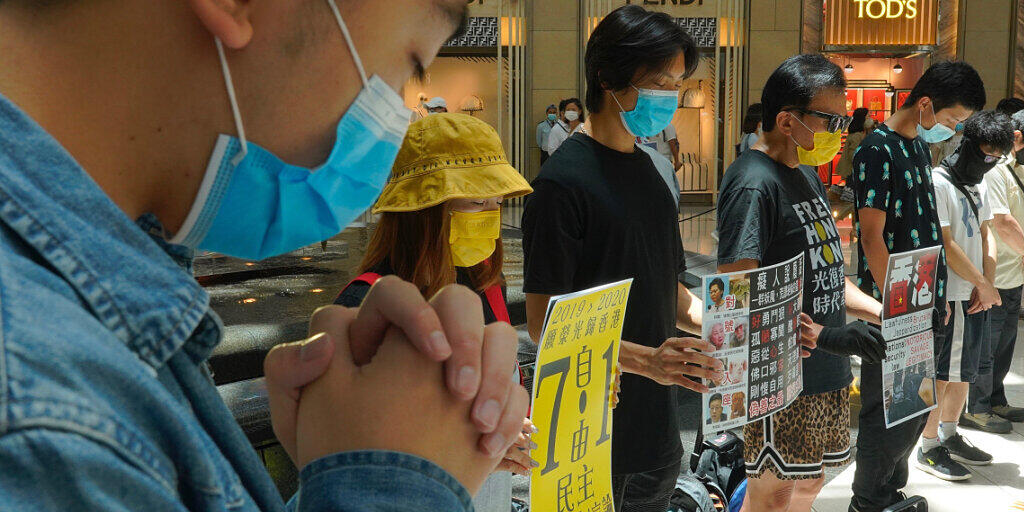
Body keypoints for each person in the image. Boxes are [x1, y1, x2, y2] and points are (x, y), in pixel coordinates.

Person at [0, 1, 531, 510]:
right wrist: (393, 484)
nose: (390, 120)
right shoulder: (40, 410)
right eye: (412, 65)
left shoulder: (88, 327)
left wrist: (344, 467)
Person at [522, 7, 723, 511]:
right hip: (589, 442)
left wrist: (724, 327)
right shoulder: (562, 184)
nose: (669, 98)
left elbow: (666, 290)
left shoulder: (653, 175)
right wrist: (647, 362)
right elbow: (543, 322)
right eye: (658, 82)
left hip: (659, 432)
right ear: (607, 78)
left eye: (676, 83)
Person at [333, 113, 536, 512]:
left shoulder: (486, 286)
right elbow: (354, 465)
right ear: (422, 211)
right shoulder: (367, 306)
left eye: (496, 203)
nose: (492, 217)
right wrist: (471, 453)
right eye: (477, 202)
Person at [716, 54, 886, 512]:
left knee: (809, 484)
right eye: (831, 119)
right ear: (788, 120)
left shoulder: (805, 173)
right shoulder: (754, 183)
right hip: (780, 376)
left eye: (844, 118)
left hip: (824, 370)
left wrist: (881, 310)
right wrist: (827, 335)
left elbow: (826, 272)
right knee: (773, 493)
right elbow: (738, 298)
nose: (841, 130)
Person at [850, 60, 985, 512]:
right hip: (895, 307)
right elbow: (871, 236)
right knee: (884, 411)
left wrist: (934, 300)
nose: (952, 131)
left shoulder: (916, 149)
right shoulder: (878, 149)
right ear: (925, 104)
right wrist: (896, 307)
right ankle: (867, 500)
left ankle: (890, 490)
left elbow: (928, 231)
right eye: (951, 120)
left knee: (911, 407)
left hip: (924, 302)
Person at [917, 110, 1012, 482]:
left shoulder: (982, 181)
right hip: (952, 293)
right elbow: (946, 241)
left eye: (996, 157)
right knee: (944, 373)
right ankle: (927, 445)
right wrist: (981, 284)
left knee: (964, 372)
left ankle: (950, 433)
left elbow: (988, 232)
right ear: (968, 145)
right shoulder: (939, 182)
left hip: (976, 293)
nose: (989, 163)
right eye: (986, 154)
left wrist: (988, 284)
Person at [966, 107, 1024, 432]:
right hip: (995, 275)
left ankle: (996, 399)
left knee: (1005, 343)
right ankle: (977, 407)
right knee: (985, 346)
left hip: (1014, 273)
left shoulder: (1018, 169)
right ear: (1016, 137)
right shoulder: (996, 171)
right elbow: (1001, 222)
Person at [836, 108, 870, 182]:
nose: (870, 119)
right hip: (852, 172)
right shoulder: (857, 135)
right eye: (868, 116)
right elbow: (854, 155)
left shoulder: (858, 134)